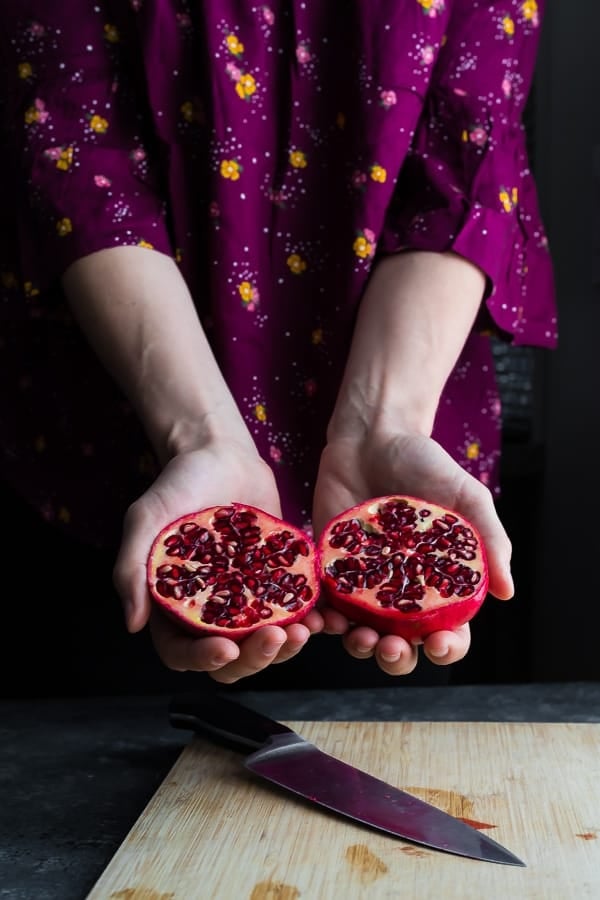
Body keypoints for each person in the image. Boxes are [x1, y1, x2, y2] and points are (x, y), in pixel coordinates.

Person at [0, 1, 556, 689]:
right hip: (120, 444)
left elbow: (465, 156)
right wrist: (199, 435)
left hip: (402, 445)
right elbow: (76, 151)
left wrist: (388, 422)